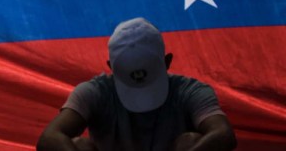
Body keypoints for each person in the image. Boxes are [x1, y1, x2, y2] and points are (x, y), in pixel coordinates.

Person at [36, 17, 237, 151]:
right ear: (110, 69)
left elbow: (224, 134)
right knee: (79, 146)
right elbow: (49, 138)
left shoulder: (190, 91)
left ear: (167, 63)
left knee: (190, 142)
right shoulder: (93, 92)